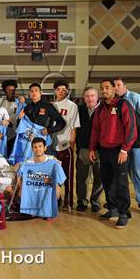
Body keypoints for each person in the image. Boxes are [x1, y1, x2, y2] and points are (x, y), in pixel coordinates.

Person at [89, 79, 137, 229]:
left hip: (119, 151)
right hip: (104, 151)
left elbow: (131, 130)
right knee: (107, 181)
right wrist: (92, 148)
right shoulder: (100, 109)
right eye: (102, 88)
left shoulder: (124, 105)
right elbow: (95, 130)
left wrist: (125, 149)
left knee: (121, 183)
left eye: (107, 88)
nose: (104, 91)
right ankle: (113, 208)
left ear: (114, 89)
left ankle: (123, 213)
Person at [114, 77, 140, 214]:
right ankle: (122, 204)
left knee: (137, 172)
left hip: (134, 143)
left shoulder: (136, 98)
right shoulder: (114, 102)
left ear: (125, 86)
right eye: (115, 85)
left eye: (119, 85)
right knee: (120, 174)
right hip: (119, 144)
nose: (116, 88)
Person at [16, 137, 66, 219]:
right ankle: (32, 210)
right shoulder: (28, 163)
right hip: (33, 187)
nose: (37, 149)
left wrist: (52, 183)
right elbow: (18, 174)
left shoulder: (52, 160)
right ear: (32, 149)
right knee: (21, 192)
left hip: (47, 187)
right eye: (35, 147)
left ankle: (49, 209)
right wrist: (21, 186)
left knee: (56, 190)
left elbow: (60, 180)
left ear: (45, 148)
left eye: (40, 146)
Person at [52, 80, 80, 211]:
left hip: (65, 145)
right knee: (52, 176)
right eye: (59, 89)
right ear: (55, 91)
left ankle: (68, 203)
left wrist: (71, 146)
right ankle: (55, 200)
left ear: (67, 91)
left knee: (68, 176)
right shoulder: (51, 106)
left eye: (64, 89)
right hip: (52, 146)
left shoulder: (72, 106)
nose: (61, 91)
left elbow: (74, 127)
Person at [75, 86, 102, 213]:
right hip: (84, 149)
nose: (90, 98)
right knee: (81, 177)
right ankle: (82, 201)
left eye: (92, 95)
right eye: (87, 96)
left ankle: (95, 201)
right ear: (84, 98)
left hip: (101, 150)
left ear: (97, 97)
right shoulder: (79, 110)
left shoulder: (104, 109)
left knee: (99, 177)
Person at [19, 82, 66, 150]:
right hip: (29, 143)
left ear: (41, 92)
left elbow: (61, 123)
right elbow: (22, 125)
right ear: (29, 94)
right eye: (32, 91)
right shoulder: (27, 108)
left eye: (36, 90)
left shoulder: (48, 106)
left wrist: (49, 130)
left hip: (44, 142)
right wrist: (19, 118)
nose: (34, 93)